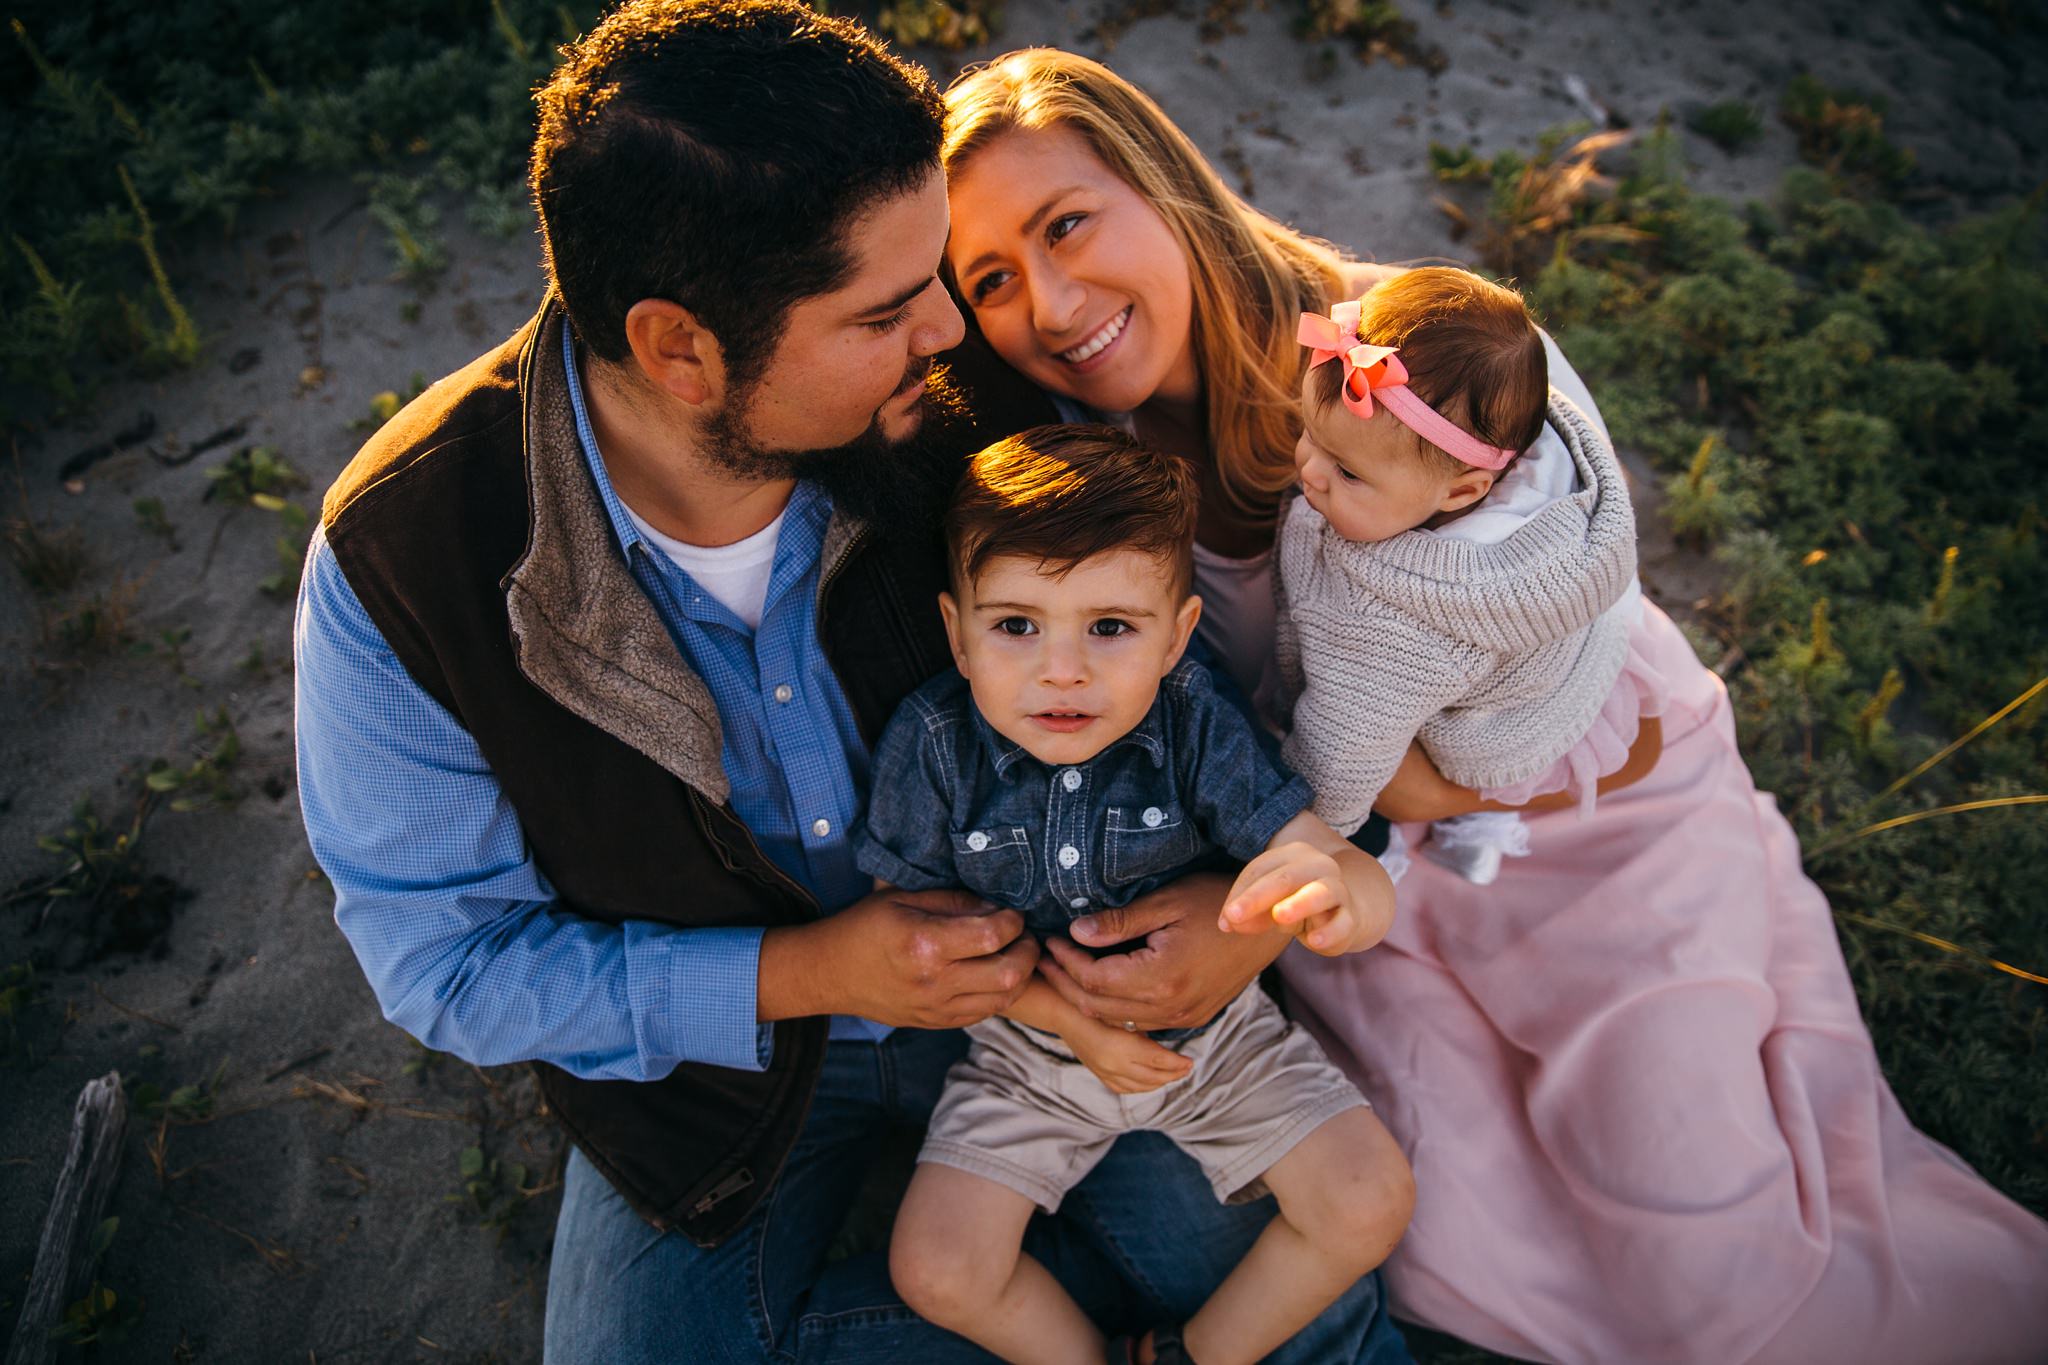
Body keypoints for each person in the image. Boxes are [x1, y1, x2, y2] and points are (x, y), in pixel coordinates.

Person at [293, 5, 1406, 1361]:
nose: (954, 327)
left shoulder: (984, 398)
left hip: (1064, 957)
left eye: (938, 272)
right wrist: (807, 969)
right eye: (886, 310)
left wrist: (1251, 919)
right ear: (680, 348)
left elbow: (1249, 682)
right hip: (714, 1069)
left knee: (1302, 1302)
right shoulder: (409, 559)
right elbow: (450, 963)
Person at [939, 46, 2048, 1364]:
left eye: (1067, 224)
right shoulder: (1071, 488)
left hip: (1587, 809)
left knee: (1707, 1256)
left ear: (1160, 185)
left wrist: (1446, 781)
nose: (1051, 305)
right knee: (1467, 1238)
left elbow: (1585, 574)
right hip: (1369, 882)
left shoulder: (1407, 348)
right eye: (993, 280)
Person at [861, 426, 1409, 1365]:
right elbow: (917, 931)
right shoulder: (934, 746)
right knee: (938, 1268)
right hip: (1026, 1053)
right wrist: (1070, 1024)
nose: (1062, 669)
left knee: (1369, 1200)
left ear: (1176, 636)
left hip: (1220, 1043)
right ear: (957, 632)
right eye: (1016, 625)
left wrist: (1344, 899)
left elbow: (1311, 849)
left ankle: (1197, 1355)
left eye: (1109, 627)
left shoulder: (1194, 717)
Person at [1276, 268, 1660, 888]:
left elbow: (1341, 753)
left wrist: (1314, 838)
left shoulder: (1403, 629)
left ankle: (1438, 838)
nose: (1310, 473)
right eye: (1310, 436)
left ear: (1465, 490)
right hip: (1568, 652)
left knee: (1414, 794)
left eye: (1346, 473)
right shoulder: (1528, 452)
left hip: (1498, 722)